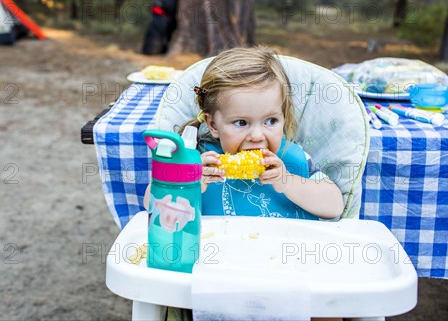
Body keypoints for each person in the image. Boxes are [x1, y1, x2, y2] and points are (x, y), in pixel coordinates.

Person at [144, 46, 344, 220]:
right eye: (241, 122)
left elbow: (334, 206)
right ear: (212, 124)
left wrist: (287, 182)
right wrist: (189, 183)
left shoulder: (293, 158)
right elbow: (151, 204)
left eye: (271, 121)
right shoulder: (194, 159)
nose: (257, 136)